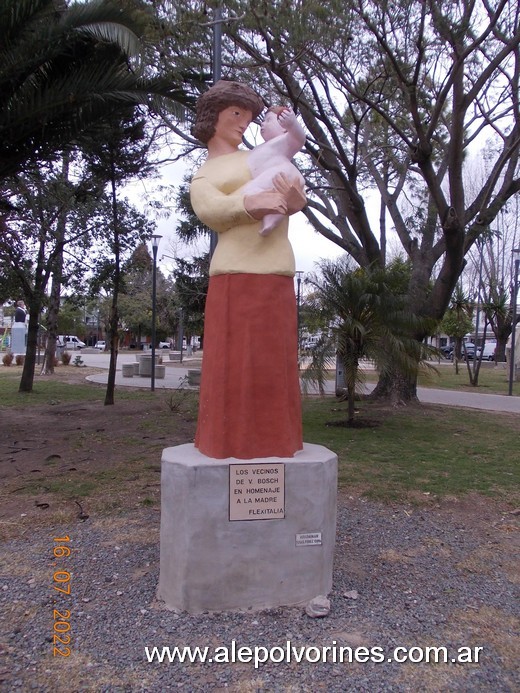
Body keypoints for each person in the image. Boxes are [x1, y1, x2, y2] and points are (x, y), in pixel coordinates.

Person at [190, 80, 307, 460]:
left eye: (248, 116)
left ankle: (276, 444)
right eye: (236, 114)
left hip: (277, 270)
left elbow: (292, 185)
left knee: (275, 365)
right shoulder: (206, 173)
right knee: (233, 367)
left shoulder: (258, 155)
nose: (244, 123)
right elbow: (210, 210)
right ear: (214, 117)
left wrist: (294, 199)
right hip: (234, 274)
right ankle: (227, 445)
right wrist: (252, 202)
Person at [243, 106, 306, 236]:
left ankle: (274, 216)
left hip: (283, 175)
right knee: (252, 191)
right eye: (263, 120)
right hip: (265, 182)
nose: (262, 123)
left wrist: (292, 124)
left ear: (283, 127)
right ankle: (270, 217)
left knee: (254, 191)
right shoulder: (258, 148)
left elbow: (300, 139)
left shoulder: (285, 140)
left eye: (269, 120)